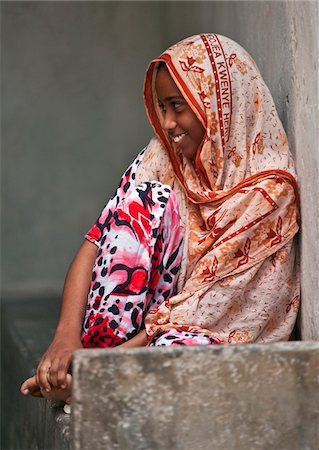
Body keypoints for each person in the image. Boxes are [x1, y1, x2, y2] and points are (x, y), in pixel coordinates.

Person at [20, 33, 300, 405]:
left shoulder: (268, 192)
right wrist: (66, 339)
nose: (168, 123)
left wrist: (95, 370)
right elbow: (97, 241)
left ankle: (97, 378)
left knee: (180, 352)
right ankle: (94, 368)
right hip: (137, 335)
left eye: (177, 106)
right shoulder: (167, 159)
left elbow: (198, 311)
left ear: (218, 104)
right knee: (140, 202)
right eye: (161, 107)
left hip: (211, 335)